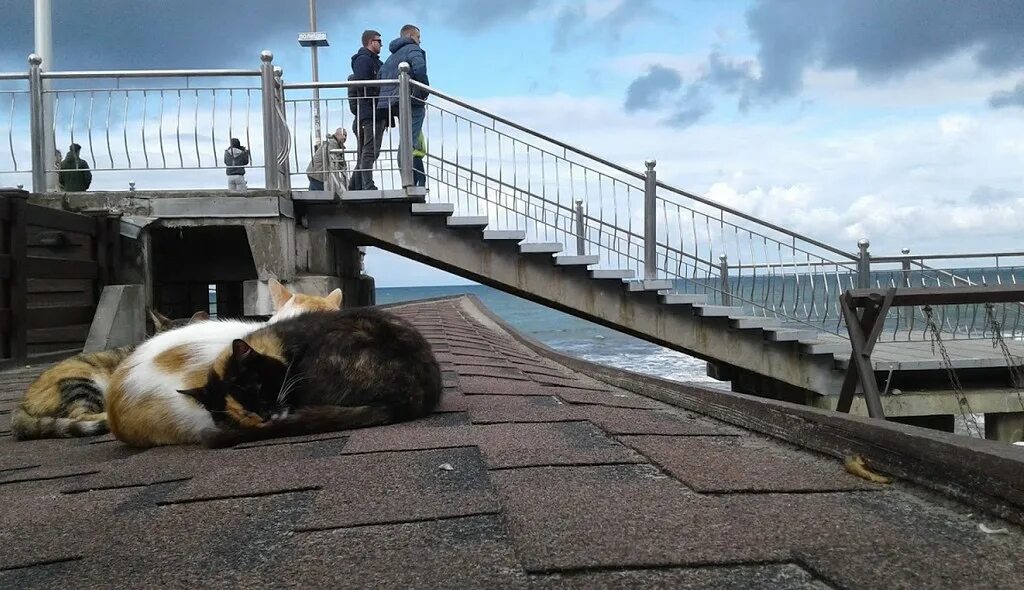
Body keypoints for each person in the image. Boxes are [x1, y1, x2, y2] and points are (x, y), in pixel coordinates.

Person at [378, 24, 429, 183]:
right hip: (412, 100)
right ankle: (410, 180)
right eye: (418, 37)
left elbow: (380, 78)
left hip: (397, 102)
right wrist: (423, 92)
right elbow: (420, 69)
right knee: (410, 142)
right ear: (410, 36)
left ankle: (406, 178)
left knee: (406, 140)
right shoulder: (412, 49)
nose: (420, 41)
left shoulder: (392, 57)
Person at [348, 29, 385, 191]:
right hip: (370, 112)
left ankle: (355, 186)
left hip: (374, 112)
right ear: (371, 41)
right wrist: (377, 97)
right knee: (369, 151)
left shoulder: (374, 61)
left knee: (370, 152)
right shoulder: (363, 60)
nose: (381, 45)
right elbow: (364, 85)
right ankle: (366, 185)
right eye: (379, 41)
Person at [306, 127, 349, 193]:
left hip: (316, 172)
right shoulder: (333, 143)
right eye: (343, 135)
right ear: (337, 134)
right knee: (317, 195)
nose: (345, 137)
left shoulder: (334, 143)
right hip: (317, 172)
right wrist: (343, 167)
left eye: (346, 135)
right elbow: (334, 158)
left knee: (316, 192)